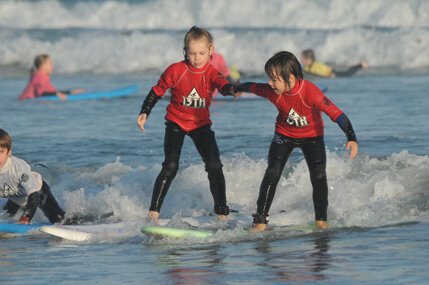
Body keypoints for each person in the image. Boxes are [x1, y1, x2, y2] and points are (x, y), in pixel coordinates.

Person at [234, 51, 358, 231]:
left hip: (312, 137)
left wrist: (351, 137)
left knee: (319, 176)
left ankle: (321, 221)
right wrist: (236, 88)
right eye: (269, 78)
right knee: (272, 173)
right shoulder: (273, 92)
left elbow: (336, 114)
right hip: (284, 135)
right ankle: (260, 222)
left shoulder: (311, 93)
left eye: (274, 79)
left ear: (290, 78)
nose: (270, 83)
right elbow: (253, 87)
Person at [137, 26, 238, 224]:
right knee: (170, 166)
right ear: (185, 51)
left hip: (201, 125)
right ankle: (153, 214)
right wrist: (145, 111)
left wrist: (234, 89)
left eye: (201, 53)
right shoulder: (176, 70)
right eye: (192, 53)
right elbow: (157, 91)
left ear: (211, 50)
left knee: (214, 166)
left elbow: (223, 86)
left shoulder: (211, 72)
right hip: (176, 122)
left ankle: (222, 213)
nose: (197, 58)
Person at [0, 129, 65, 224]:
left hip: (38, 192)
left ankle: (86, 220)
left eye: (1, 152)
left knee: (59, 220)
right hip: (15, 196)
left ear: (9, 152)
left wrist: (25, 219)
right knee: (6, 217)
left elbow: (34, 196)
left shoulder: (18, 168)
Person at [18, 54, 84, 101]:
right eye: (50, 63)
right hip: (26, 102)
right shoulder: (39, 77)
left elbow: (52, 92)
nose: (52, 66)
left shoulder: (41, 76)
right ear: (43, 65)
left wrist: (71, 92)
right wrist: (57, 94)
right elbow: (42, 94)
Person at [301, 49, 368, 78]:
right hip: (330, 72)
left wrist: (331, 75)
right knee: (347, 72)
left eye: (303, 58)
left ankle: (361, 65)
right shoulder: (307, 67)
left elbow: (326, 73)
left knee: (348, 74)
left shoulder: (317, 66)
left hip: (333, 73)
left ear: (309, 60)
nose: (301, 60)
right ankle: (360, 65)